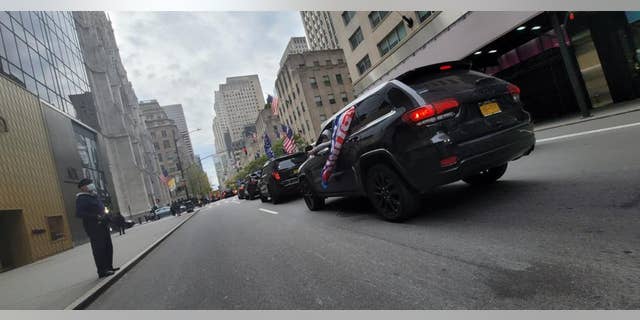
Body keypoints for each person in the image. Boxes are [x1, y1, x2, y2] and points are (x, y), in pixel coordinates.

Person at [75, 178, 119, 278]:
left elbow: (102, 209)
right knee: (99, 249)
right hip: (94, 228)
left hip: (103, 225)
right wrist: (95, 217)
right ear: (83, 187)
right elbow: (79, 213)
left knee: (108, 247)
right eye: (89, 184)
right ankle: (102, 271)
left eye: (91, 183)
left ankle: (109, 267)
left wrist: (107, 216)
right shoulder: (81, 198)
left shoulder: (94, 196)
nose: (92, 185)